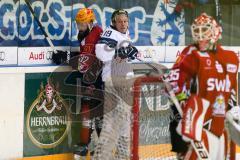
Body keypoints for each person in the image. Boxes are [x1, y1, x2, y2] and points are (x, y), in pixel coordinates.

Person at [168, 13, 239, 160]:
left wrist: (233, 108)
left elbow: (229, 88)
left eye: (205, 30)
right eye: (197, 30)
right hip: (195, 122)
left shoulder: (229, 57)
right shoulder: (190, 53)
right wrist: (184, 108)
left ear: (216, 31)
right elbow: (174, 82)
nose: (200, 35)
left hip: (218, 125)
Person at [52, 8, 103, 160]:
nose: (79, 26)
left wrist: (66, 58)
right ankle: (90, 145)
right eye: (78, 23)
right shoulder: (86, 34)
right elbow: (84, 57)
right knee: (90, 112)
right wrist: (66, 56)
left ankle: (94, 146)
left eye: (82, 23)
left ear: (90, 23)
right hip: (90, 79)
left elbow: (86, 61)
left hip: (97, 80)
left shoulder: (95, 34)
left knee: (95, 113)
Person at [93, 9, 138, 160]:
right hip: (115, 81)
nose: (123, 24)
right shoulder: (110, 33)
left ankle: (121, 157)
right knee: (111, 123)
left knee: (125, 124)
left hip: (124, 81)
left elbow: (126, 54)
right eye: (119, 21)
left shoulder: (123, 33)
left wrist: (130, 52)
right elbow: (100, 52)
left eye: (125, 21)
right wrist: (120, 52)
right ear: (113, 22)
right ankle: (102, 157)